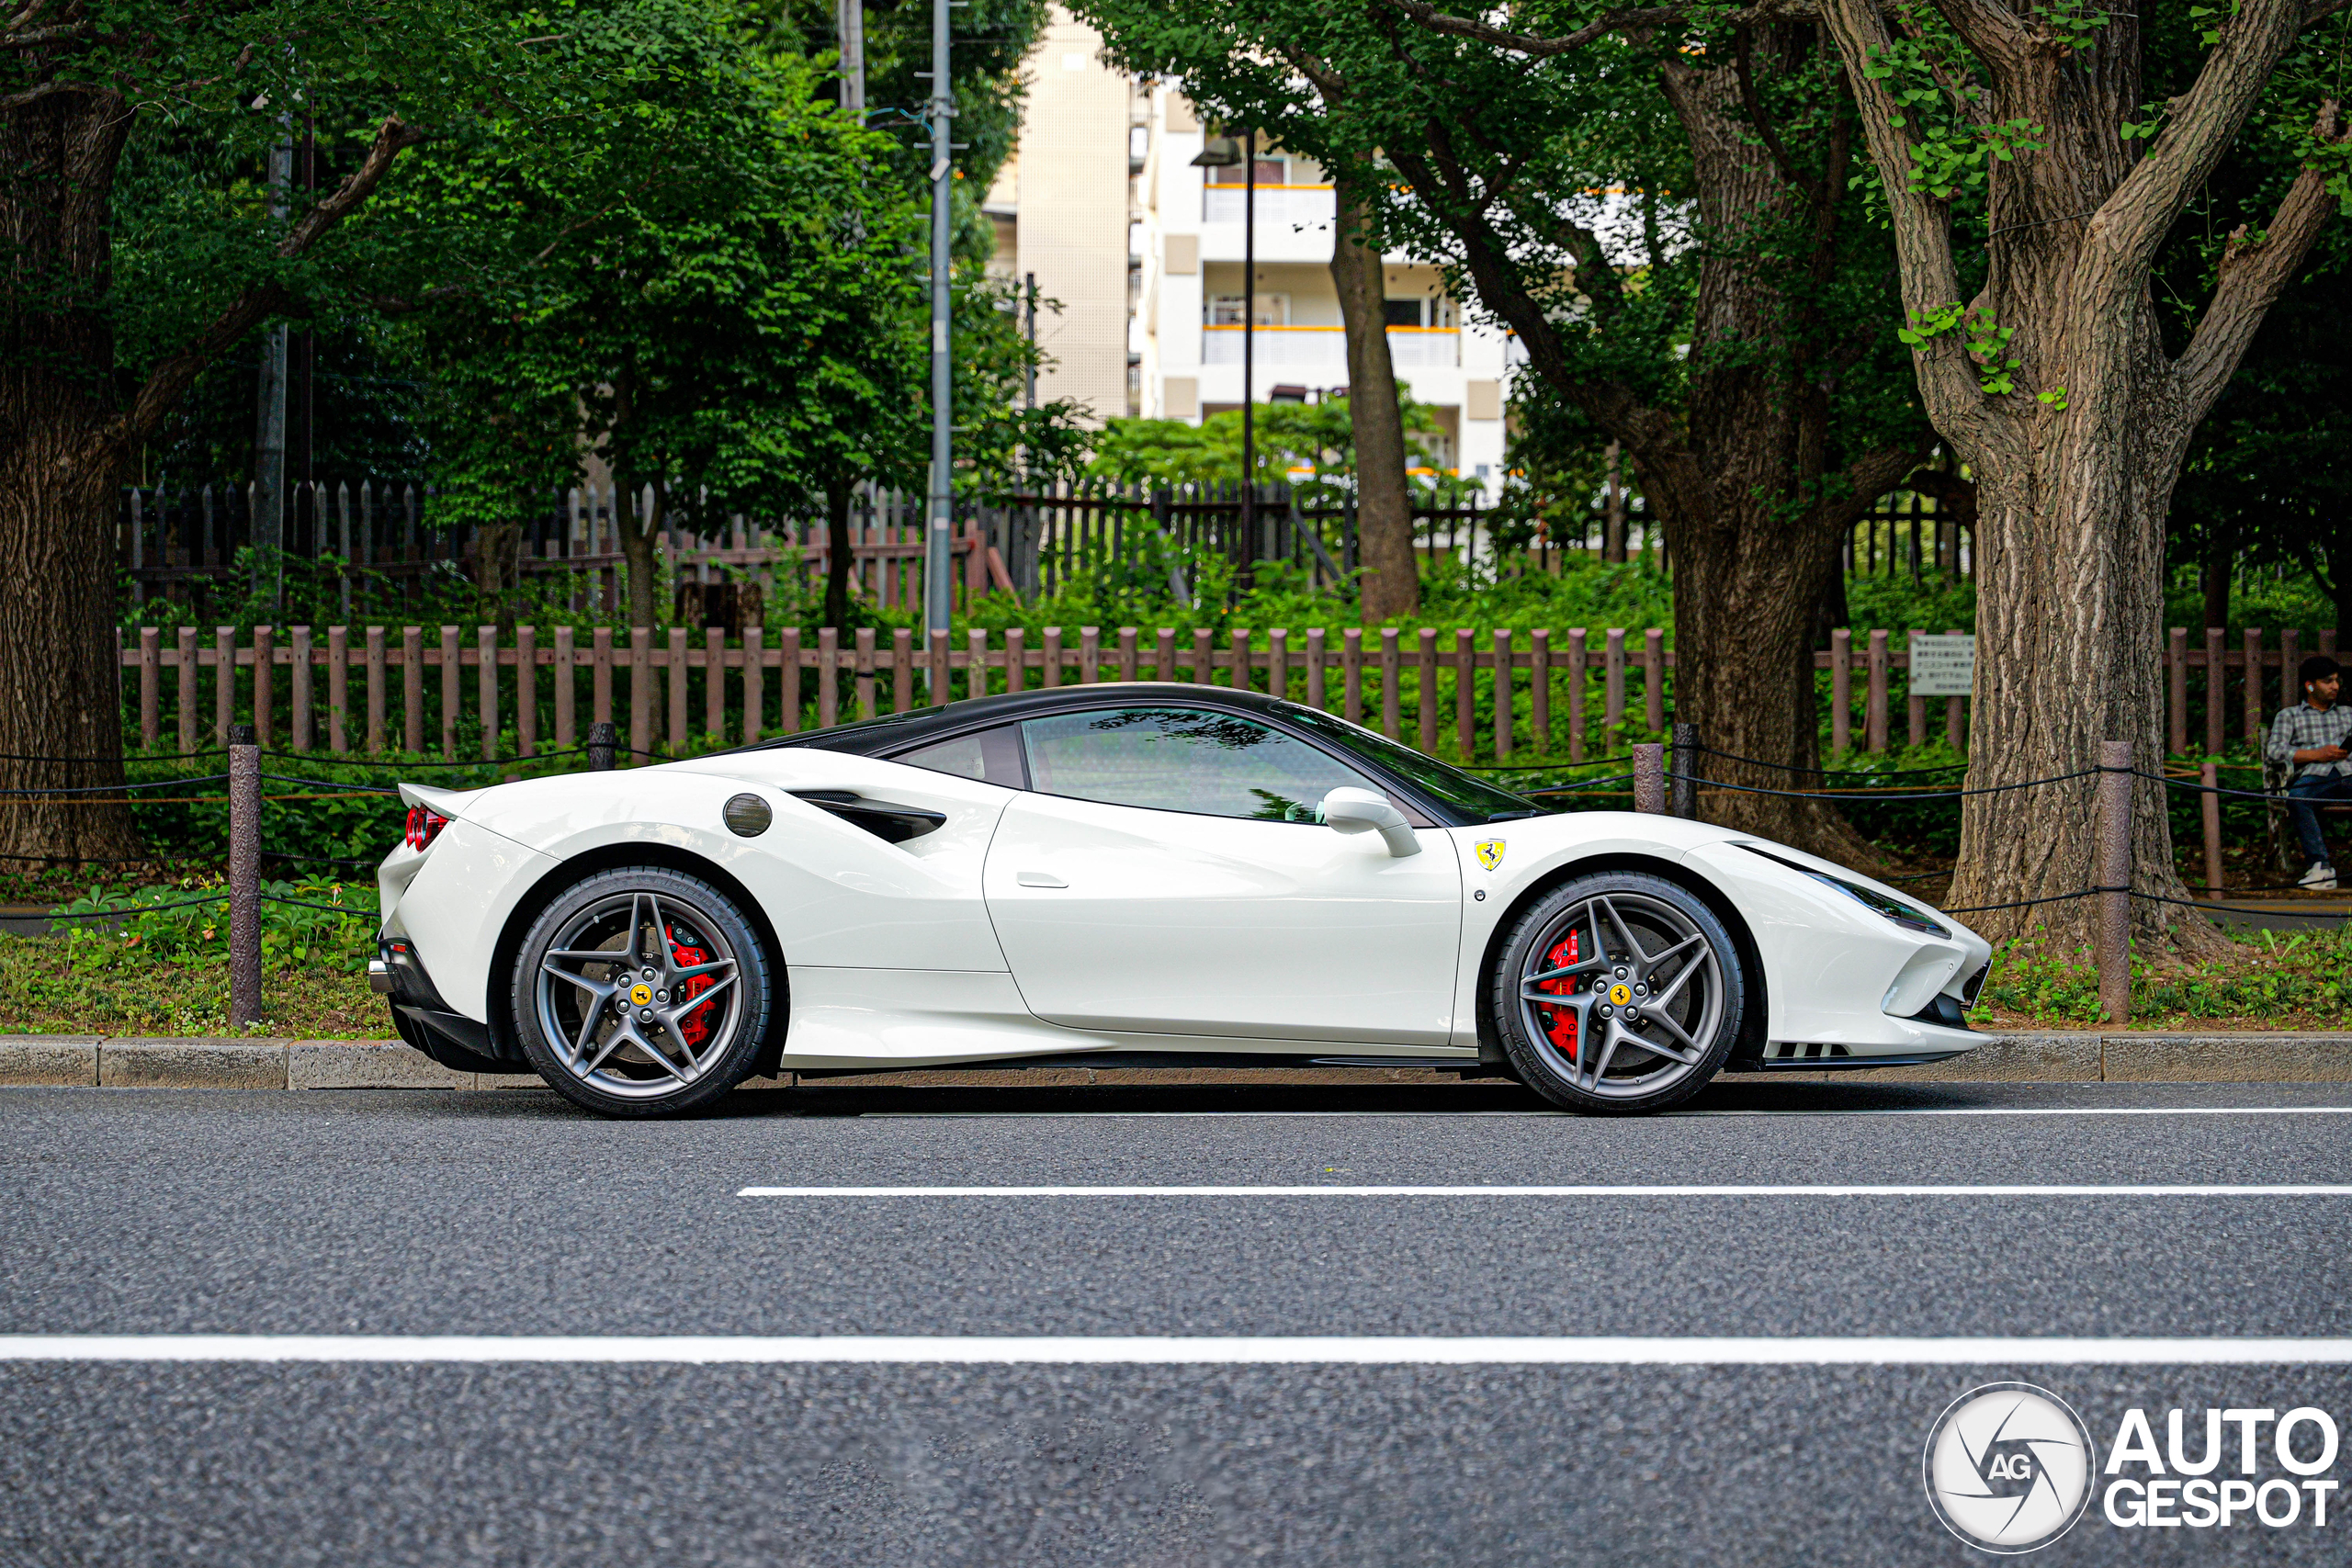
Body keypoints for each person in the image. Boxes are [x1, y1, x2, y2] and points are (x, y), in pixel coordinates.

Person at [2264, 655, 2351, 890]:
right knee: (2298, 798)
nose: (2335, 686)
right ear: (2310, 685)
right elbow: (2274, 751)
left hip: (2350, 773)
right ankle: (2321, 868)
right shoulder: (2290, 716)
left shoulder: (2347, 714)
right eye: (2328, 681)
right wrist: (2317, 754)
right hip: (2318, 775)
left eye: (2336, 680)